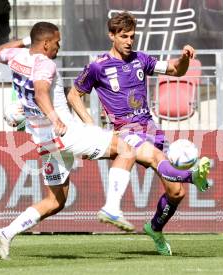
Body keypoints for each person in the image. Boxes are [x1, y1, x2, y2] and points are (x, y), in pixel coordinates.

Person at [0, 21, 140, 260]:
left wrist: (26, 41)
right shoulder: (45, 63)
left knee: (55, 201)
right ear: (47, 43)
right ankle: (112, 208)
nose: (59, 46)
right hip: (65, 133)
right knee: (126, 151)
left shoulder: (16, 56)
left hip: (44, 141)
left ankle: (7, 233)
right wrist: (55, 119)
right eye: (57, 42)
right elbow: (40, 92)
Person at [68, 11, 211, 256]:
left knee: (176, 192)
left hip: (151, 130)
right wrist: (89, 124)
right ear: (111, 35)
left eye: (132, 36)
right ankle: (192, 175)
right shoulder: (98, 66)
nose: (129, 41)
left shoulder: (141, 60)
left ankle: (155, 228)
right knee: (156, 159)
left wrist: (184, 56)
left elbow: (177, 70)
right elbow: (73, 95)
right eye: (123, 36)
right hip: (126, 132)